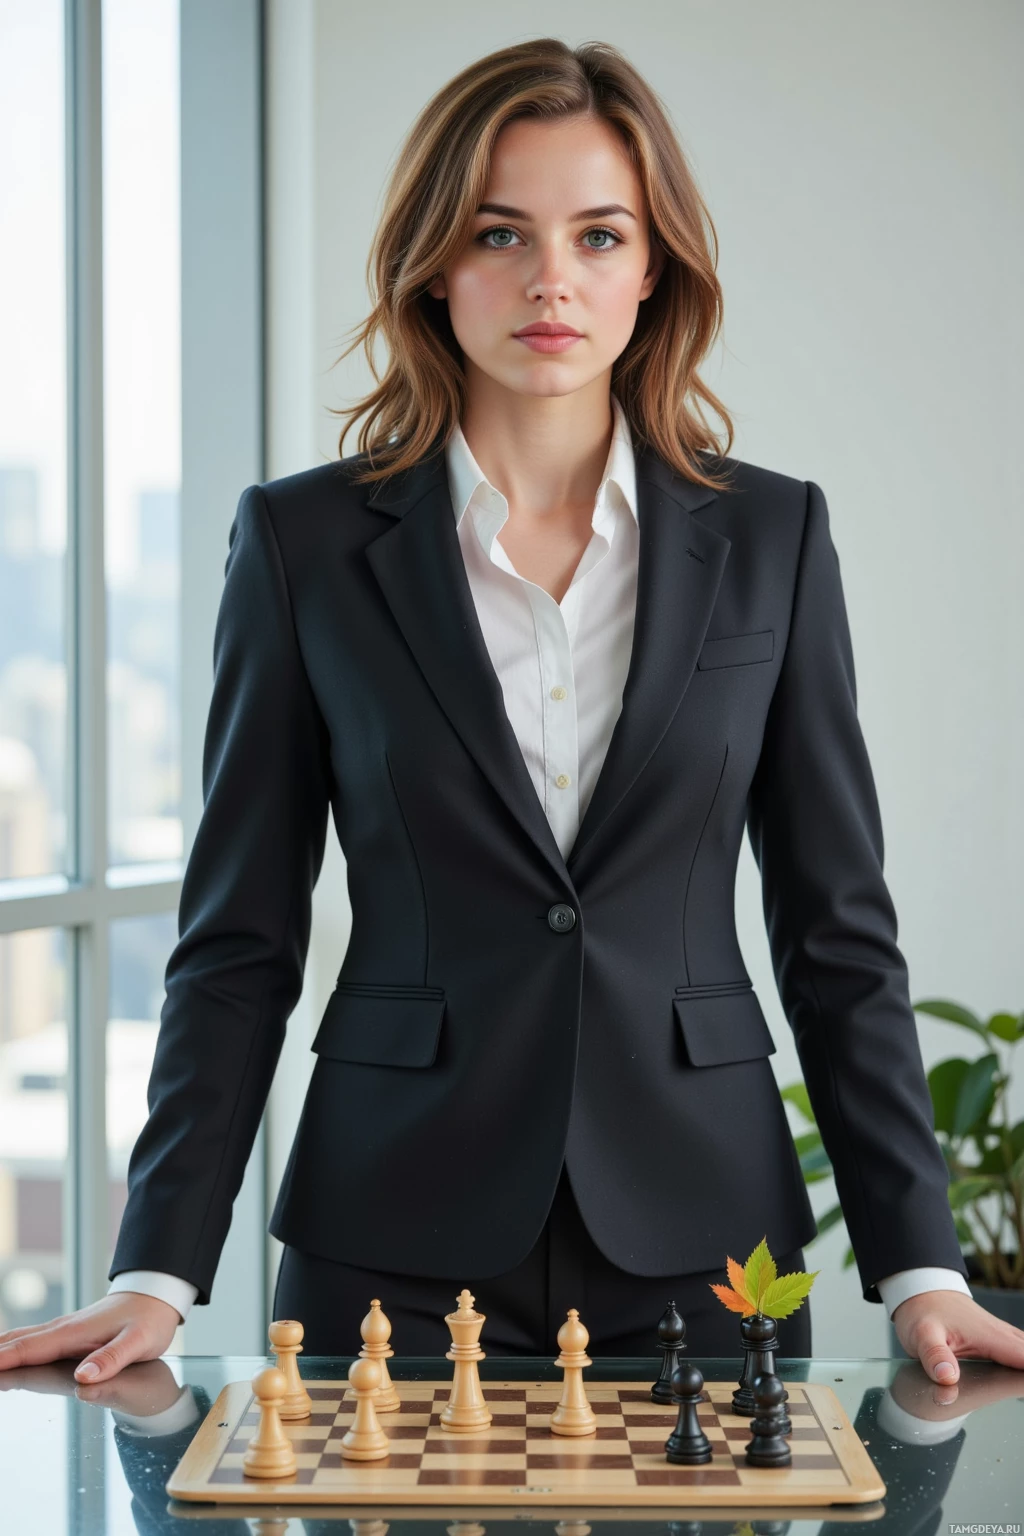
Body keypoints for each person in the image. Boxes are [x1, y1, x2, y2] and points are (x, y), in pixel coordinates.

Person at [2, 37, 1022, 1388]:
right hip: (390, 1234)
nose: (552, 280)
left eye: (599, 235)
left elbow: (837, 932)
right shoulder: (305, 545)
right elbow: (239, 937)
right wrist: (157, 1269)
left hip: (708, 1235)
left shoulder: (772, 538)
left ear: (652, 267)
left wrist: (922, 1268)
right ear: (436, 262)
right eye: (501, 234)